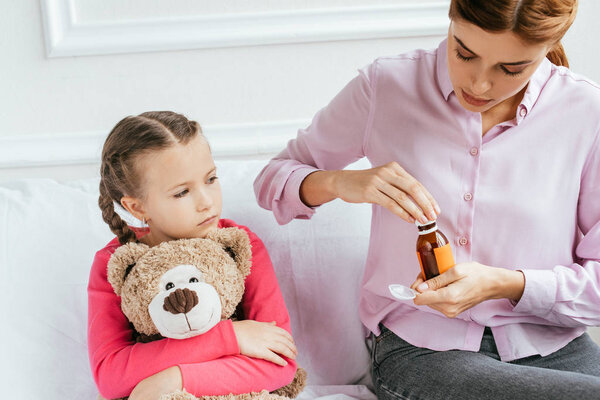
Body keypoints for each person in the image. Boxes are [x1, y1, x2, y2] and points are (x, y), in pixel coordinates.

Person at [254, 0, 600, 398]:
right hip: (423, 350)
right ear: (451, 21)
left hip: (555, 346)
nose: (479, 84)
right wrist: (339, 183)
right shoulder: (386, 86)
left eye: (511, 69)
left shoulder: (586, 113)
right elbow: (273, 179)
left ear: (550, 45)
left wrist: (508, 284)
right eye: (464, 53)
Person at [87, 111, 298, 400]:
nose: (207, 202)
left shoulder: (241, 244)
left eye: (211, 179)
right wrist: (232, 338)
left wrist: (174, 380)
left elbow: (281, 361)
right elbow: (110, 377)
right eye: (182, 192)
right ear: (136, 207)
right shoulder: (115, 262)